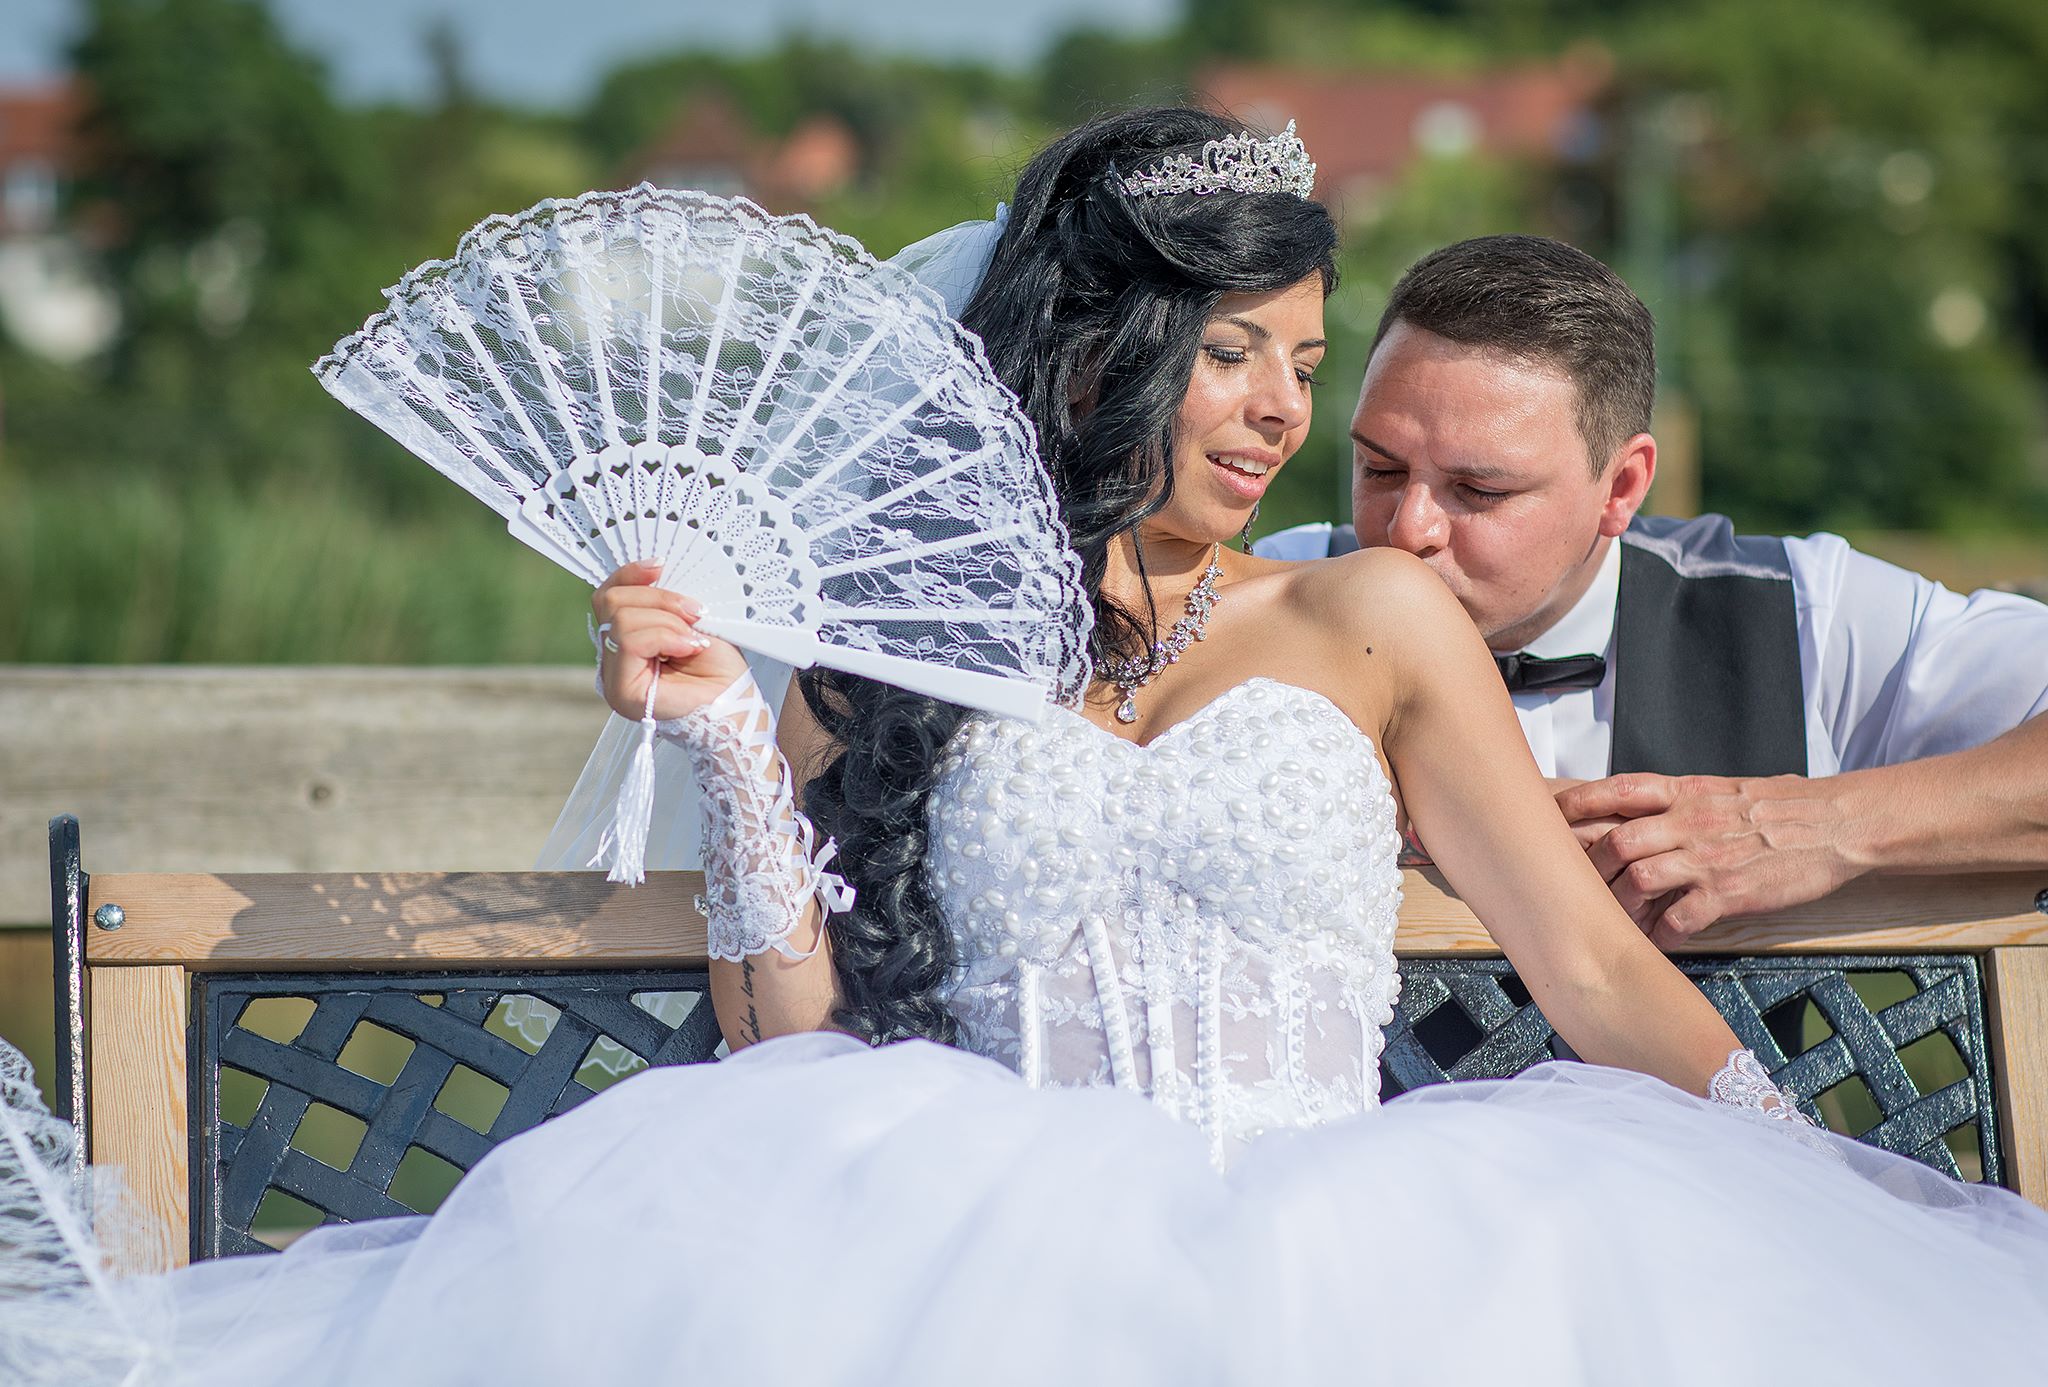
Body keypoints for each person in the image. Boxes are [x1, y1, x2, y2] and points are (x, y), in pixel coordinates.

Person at [5, 110, 2047, 1387]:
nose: (1271, 414)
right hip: (960, 1239)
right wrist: (728, 732)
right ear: (1103, 350)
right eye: (1230, 352)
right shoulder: (902, 645)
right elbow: (791, 1036)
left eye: (1299, 363)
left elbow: (1591, 972)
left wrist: (1824, 1188)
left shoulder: (1368, 614)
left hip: (1353, 1244)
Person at [1259, 234, 2048, 943]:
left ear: (1622, 486)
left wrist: (1817, 825)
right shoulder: (1272, 593)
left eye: (1479, 490)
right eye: (1380, 468)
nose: (1408, 529)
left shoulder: (1804, 613)